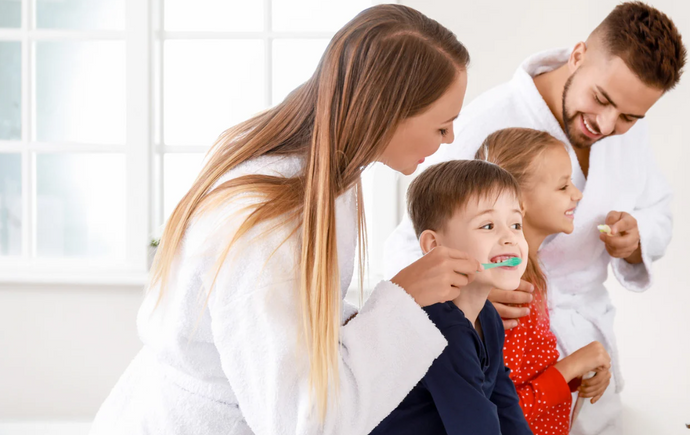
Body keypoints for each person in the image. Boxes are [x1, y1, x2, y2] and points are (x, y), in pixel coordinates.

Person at [90, 5, 480, 435]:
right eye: (442, 126)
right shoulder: (265, 230)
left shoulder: (328, 178)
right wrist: (403, 300)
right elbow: (301, 422)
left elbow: (294, 317)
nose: (450, 140)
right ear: (384, 112)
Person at [384, 3, 687, 434]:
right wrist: (472, 296)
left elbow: (659, 208)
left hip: (579, 346)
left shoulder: (627, 129)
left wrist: (637, 238)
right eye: (601, 99)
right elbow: (414, 241)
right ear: (578, 56)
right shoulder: (484, 124)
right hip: (510, 335)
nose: (606, 124)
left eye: (629, 117)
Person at [372, 160, 532, 435]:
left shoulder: (488, 316)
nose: (510, 238)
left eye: (516, 224)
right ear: (434, 246)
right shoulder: (441, 328)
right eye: (488, 226)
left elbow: (505, 406)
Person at [476, 128, 611, 435]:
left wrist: (580, 375)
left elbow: (523, 380)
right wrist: (574, 364)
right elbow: (498, 411)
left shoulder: (530, 275)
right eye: (563, 186)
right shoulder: (511, 289)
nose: (576, 194)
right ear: (519, 203)